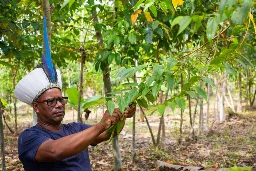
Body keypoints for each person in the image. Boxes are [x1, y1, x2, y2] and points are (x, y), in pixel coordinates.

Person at [14, 66, 136, 171]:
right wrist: (100, 125)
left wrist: (122, 116)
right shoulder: (29, 137)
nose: (59, 104)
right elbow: (54, 151)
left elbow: (106, 134)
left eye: (61, 99)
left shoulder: (76, 128)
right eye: (51, 101)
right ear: (36, 107)